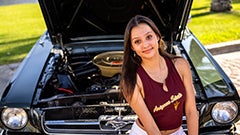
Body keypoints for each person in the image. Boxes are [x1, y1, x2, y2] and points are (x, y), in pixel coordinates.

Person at [120, 15, 199, 135]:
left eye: (149, 37)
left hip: (178, 132)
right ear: (132, 47)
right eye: (137, 41)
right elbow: (151, 127)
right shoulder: (131, 80)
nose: (145, 45)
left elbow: (191, 111)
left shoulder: (180, 65)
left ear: (157, 36)